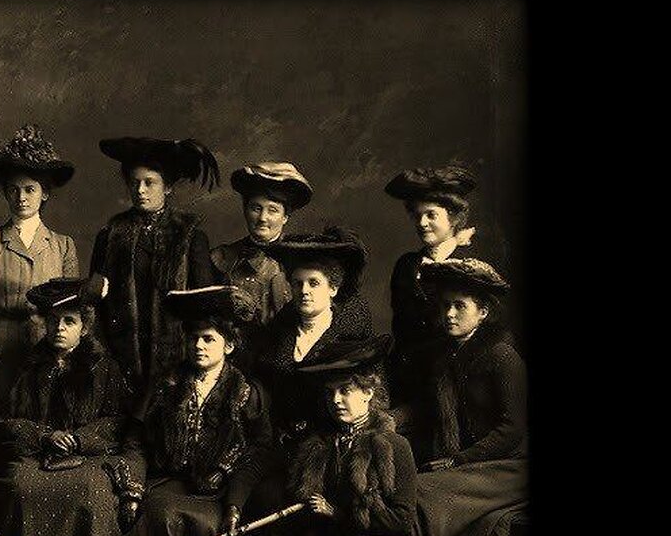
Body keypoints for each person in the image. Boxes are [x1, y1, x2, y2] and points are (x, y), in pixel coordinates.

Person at [257, 335, 508, 536]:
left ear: (368, 393)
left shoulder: (392, 446)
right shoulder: (325, 444)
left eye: (345, 391)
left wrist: (336, 513)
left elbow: (401, 521)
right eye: (331, 392)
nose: (337, 400)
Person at [112, 285, 272, 536]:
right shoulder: (166, 385)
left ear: (228, 346)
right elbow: (135, 441)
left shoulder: (246, 392)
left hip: (221, 490)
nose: (199, 346)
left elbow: (258, 452)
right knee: (158, 513)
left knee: (216, 533)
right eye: (194, 339)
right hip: (167, 481)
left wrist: (235, 504)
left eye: (209, 339)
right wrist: (133, 490)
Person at [0, 276, 142, 536]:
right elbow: (8, 421)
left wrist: (80, 439)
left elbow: (117, 421)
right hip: (36, 455)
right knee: (19, 486)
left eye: (69, 322)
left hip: (89, 457)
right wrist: (45, 436)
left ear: (84, 327)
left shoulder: (104, 367)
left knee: (93, 491)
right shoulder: (27, 366)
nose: (59, 328)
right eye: (54, 321)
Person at [406, 258, 528, 536]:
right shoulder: (445, 357)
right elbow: (427, 412)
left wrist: (460, 461)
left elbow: (512, 430)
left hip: (511, 465)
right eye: (445, 306)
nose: (450, 314)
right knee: (418, 486)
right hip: (474, 463)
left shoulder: (502, 357)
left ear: (483, 312)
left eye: (460, 306)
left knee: (428, 493)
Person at [89, 136, 221, 407]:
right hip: (122, 357)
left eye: (150, 183)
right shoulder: (111, 235)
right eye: (134, 183)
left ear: (168, 187)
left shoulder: (190, 235)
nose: (140, 190)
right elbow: (96, 302)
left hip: (177, 358)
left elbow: (203, 305)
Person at [0, 124, 80, 382]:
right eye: (14, 190)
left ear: (45, 193)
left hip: (48, 352)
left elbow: (73, 311)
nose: (21, 198)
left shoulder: (63, 245)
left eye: (30, 190)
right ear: (6, 193)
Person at [383, 165, 499, 409]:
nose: (422, 223)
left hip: (458, 381)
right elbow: (402, 326)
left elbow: (485, 332)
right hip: (408, 380)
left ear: (453, 218)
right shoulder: (406, 265)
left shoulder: (473, 265)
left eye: (431, 215)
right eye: (416, 215)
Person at [250, 227, 375, 442]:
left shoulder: (351, 336)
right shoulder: (279, 334)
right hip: (282, 442)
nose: (304, 290)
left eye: (313, 283)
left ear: (333, 289)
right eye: (298, 283)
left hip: (330, 443)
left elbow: (368, 398)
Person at [210, 162, 312, 326]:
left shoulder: (304, 260)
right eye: (256, 208)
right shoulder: (221, 259)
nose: (263, 218)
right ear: (245, 210)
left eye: (273, 210)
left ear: (285, 216)